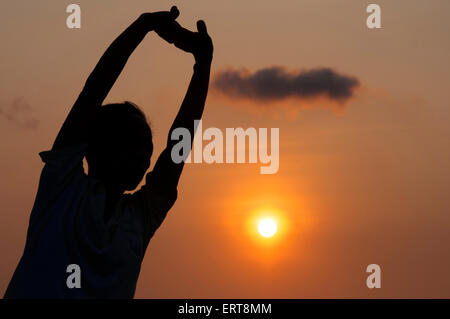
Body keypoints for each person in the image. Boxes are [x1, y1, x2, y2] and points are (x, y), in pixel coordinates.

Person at [4, 6, 213, 298]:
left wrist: (203, 66)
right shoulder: (62, 186)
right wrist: (141, 27)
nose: (144, 157)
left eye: (148, 149)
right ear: (97, 146)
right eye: (133, 143)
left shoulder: (139, 219)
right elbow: (92, 92)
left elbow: (179, 144)